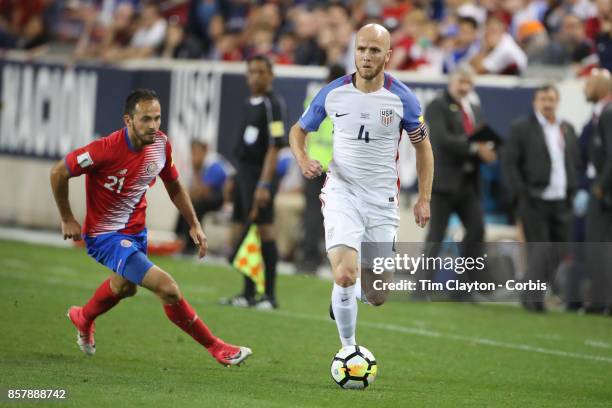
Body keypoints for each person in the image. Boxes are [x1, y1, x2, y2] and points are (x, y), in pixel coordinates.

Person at [49, 89, 251, 366]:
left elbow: (174, 184)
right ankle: (218, 348)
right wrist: (67, 217)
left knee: (125, 288)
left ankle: (83, 317)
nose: (153, 125)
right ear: (128, 120)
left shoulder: (160, 145)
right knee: (167, 288)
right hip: (105, 235)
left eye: (157, 118)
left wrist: (194, 223)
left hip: (135, 233)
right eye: (145, 119)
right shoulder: (103, 150)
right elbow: (58, 171)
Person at [288, 24, 434, 348]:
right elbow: (298, 131)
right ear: (354, 52)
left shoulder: (403, 99)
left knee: (377, 294)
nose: (366, 57)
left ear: (388, 56)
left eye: (375, 51)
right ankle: (348, 350)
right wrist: (302, 159)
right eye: (361, 49)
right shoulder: (333, 92)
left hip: (382, 201)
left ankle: (349, 293)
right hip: (342, 193)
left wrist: (424, 198)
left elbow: (424, 148)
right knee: (343, 273)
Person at [504, 85, 580, 312]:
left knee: (559, 249)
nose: (547, 103)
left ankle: (534, 293)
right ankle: (532, 299)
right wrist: (520, 193)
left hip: (561, 199)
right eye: (543, 98)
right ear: (535, 101)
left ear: (557, 101)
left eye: (551, 99)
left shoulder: (566, 128)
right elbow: (510, 164)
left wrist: (572, 190)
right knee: (540, 250)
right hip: (534, 198)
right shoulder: (521, 128)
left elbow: (574, 161)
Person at [423, 67, 496, 298]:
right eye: (460, 82)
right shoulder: (438, 104)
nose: (464, 87)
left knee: (477, 229)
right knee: (436, 235)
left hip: (468, 183)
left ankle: (463, 288)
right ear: (451, 82)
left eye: (467, 83)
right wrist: (475, 147)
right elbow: (441, 139)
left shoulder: (474, 108)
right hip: (444, 181)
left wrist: (491, 149)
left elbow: (485, 136)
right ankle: (421, 288)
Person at [220, 55, 286, 310]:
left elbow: (274, 146)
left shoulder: (273, 105)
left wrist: (264, 184)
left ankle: (269, 295)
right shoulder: (249, 103)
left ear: (270, 75)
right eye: (251, 72)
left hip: (260, 175)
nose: (255, 77)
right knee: (242, 230)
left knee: (265, 229)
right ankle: (247, 293)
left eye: (260, 72)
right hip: (243, 174)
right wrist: (234, 179)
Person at [298, 63, 346, 274]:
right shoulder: (347, 103)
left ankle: (309, 259)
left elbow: (304, 131)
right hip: (335, 167)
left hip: (314, 163)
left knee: (312, 214)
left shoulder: (314, 100)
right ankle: (333, 258)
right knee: (336, 216)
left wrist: (304, 159)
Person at [584, 68, 612, 314]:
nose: (585, 87)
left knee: (597, 245)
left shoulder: (609, 112)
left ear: (603, 86)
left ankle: (601, 302)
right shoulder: (599, 113)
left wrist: (601, 186)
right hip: (600, 187)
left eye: (590, 83)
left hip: (604, 191)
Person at [174, 140, 234, 254]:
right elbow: (191, 192)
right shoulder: (196, 165)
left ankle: (192, 244)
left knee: (196, 206)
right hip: (210, 196)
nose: (194, 156)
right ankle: (179, 237)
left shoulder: (213, 164)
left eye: (196, 153)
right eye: (192, 153)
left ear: (204, 151)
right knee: (185, 203)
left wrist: (196, 172)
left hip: (225, 197)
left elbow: (204, 191)